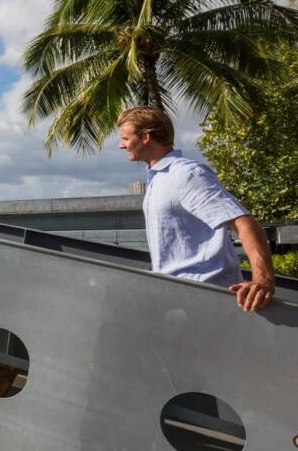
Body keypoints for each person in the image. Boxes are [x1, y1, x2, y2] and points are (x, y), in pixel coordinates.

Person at [116, 106, 274, 312]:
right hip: (178, 300)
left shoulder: (187, 175)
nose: (121, 145)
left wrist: (263, 281)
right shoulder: (158, 179)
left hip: (208, 300)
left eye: (126, 139)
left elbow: (243, 223)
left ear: (146, 137)